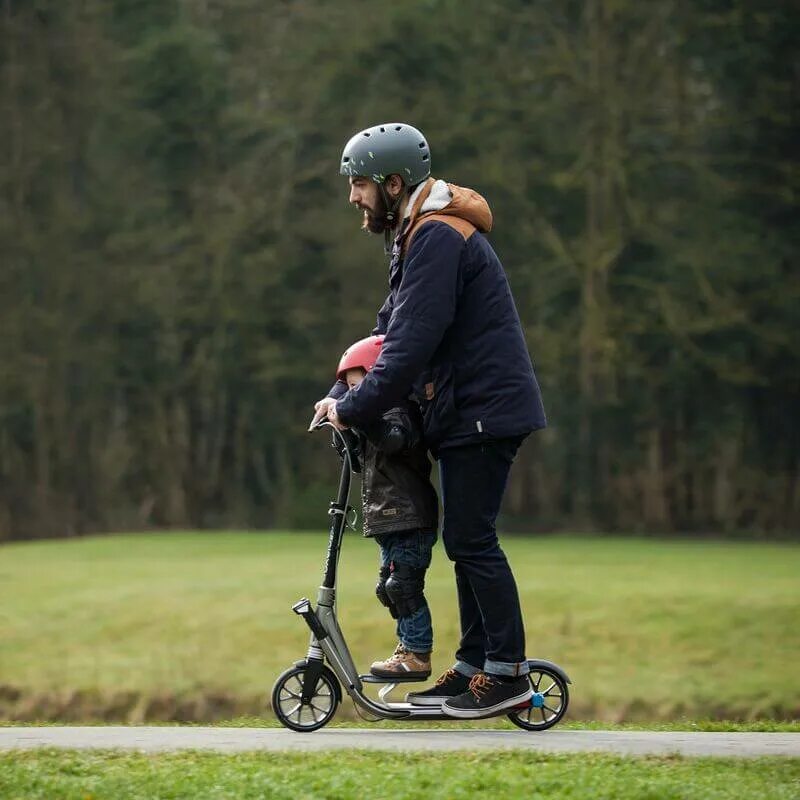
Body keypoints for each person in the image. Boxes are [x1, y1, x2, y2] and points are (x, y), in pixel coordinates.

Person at [310, 122, 547, 718]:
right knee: (465, 540)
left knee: (472, 540)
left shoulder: (438, 237)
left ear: (394, 183)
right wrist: (343, 387)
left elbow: (410, 344)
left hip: (483, 412)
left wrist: (356, 408)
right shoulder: (418, 235)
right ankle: (474, 669)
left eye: (360, 184)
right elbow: (386, 330)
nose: (353, 198)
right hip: (466, 413)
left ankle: (508, 672)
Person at [334, 334, 438, 679]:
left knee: (403, 587)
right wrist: (341, 428)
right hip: (389, 521)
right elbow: (359, 462)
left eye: (356, 386)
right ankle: (405, 647)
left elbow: (393, 441)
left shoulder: (399, 411)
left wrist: (358, 417)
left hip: (409, 518)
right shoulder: (376, 418)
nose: (351, 396)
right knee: (388, 590)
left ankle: (417, 656)